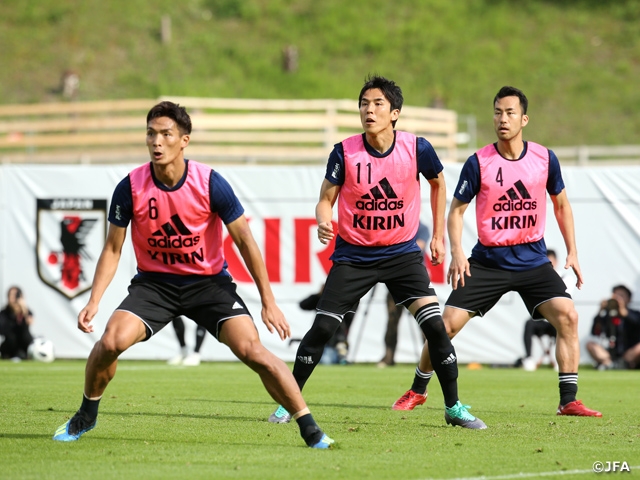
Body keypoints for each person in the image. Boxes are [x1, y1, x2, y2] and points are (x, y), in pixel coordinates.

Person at [52, 101, 334, 449]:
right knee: (109, 342)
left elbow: (245, 241)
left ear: (184, 140)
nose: (157, 142)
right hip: (155, 286)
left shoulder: (210, 183)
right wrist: (94, 300)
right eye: (151, 134)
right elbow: (112, 249)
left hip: (209, 285)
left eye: (166, 134)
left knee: (254, 352)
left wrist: (268, 301)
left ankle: (310, 429)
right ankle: (86, 414)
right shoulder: (131, 187)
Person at [268, 75, 485, 429]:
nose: (369, 110)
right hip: (353, 256)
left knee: (435, 326)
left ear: (395, 113)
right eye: (364, 104)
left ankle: (453, 408)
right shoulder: (345, 151)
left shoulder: (417, 148)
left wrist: (438, 236)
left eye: (378, 104)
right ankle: (288, 403)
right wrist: (324, 220)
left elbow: (438, 183)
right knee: (323, 328)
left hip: (402, 255)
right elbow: (326, 200)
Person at [395, 86, 602, 418]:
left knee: (568, 316)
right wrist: (458, 253)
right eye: (497, 112)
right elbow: (457, 211)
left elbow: (561, 205)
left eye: (509, 113)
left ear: (524, 119)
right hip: (488, 261)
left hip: (532, 260)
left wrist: (572, 252)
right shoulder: (479, 162)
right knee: (444, 326)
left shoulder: (544, 158)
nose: (502, 119)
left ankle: (568, 400)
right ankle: (418, 389)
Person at [378, 221, 430, 367]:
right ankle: (388, 357)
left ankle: (429, 358)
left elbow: (419, 246)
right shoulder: (396, 225)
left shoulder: (422, 227)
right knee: (392, 320)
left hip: (415, 282)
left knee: (426, 321)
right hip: (394, 280)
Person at [516, 249, 573, 371]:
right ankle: (529, 358)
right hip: (542, 318)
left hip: (556, 319)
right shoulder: (536, 277)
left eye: (550, 260)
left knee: (563, 325)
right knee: (529, 324)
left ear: (556, 261)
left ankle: (562, 360)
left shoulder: (565, 277)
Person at [298, 284, 357, 365]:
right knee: (323, 360)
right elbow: (303, 305)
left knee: (327, 360)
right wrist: (319, 296)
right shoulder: (321, 301)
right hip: (321, 338)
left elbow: (349, 318)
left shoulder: (343, 302)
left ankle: (341, 358)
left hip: (336, 339)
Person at [586, 285, 640, 370]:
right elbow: (595, 332)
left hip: (629, 353)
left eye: (621, 296)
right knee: (590, 344)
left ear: (629, 299)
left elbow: (637, 323)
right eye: (615, 295)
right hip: (610, 352)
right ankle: (609, 364)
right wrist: (600, 311)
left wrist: (624, 313)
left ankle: (624, 363)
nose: (618, 299)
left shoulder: (634, 314)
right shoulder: (608, 315)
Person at [0, 286, 34, 360]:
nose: (14, 298)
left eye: (16, 295)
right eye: (11, 295)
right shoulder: (4, 313)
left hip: (24, 343)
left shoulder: (26, 311)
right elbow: (2, 330)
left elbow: (30, 321)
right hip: (11, 345)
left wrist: (23, 308)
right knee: (11, 338)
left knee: (27, 337)